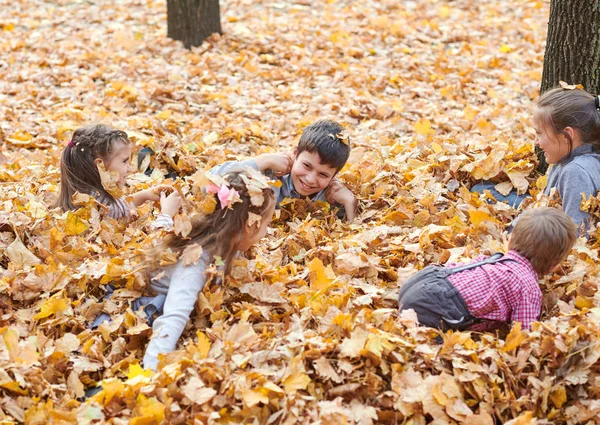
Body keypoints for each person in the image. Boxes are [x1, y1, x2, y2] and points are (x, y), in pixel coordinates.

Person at [143, 168, 276, 370]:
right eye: (267, 223)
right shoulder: (196, 264)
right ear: (250, 226)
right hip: (152, 298)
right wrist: (149, 374)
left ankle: (165, 217)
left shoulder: (228, 240)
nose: (267, 231)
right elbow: (174, 318)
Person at [398, 207, 577, 332]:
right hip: (431, 309)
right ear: (554, 266)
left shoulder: (494, 260)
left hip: (419, 283)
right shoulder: (527, 287)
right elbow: (524, 333)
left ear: (510, 242)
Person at [473, 86, 600, 231]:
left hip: (544, 237)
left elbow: (577, 235)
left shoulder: (576, 172)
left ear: (566, 135)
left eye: (539, 134)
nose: (536, 142)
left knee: (480, 192)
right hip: (542, 219)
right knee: (480, 189)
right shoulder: (567, 158)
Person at [209, 120, 357, 220]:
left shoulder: (333, 197)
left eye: (323, 174)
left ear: (334, 176)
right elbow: (210, 181)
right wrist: (262, 160)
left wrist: (350, 203)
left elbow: (352, 238)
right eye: (306, 166)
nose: (310, 179)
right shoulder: (269, 176)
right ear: (295, 153)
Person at [56, 124, 180, 220]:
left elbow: (121, 208)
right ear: (100, 166)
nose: (130, 168)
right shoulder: (105, 210)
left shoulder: (93, 196)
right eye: (124, 161)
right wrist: (166, 214)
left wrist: (145, 195)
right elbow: (153, 246)